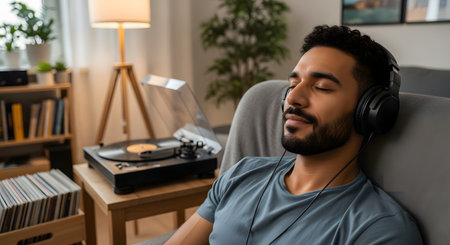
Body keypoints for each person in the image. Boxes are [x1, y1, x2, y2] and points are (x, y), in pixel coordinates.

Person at [165, 25, 423, 244]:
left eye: (321, 87)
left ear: (369, 111)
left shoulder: (377, 229)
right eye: (292, 85)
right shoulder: (241, 174)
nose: (293, 98)